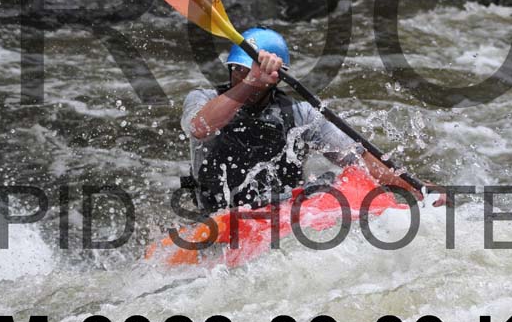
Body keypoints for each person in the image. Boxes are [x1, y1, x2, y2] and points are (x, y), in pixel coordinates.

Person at [180, 27, 441, 213]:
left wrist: (418, 187)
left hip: (277, 216)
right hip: (217, 216)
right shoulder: (202, 99)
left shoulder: (301, 114)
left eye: (249, 71)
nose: (241, 76)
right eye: (238, 70)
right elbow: (200, 128)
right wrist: (250, 82)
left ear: (277, 77)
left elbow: (360, 159)